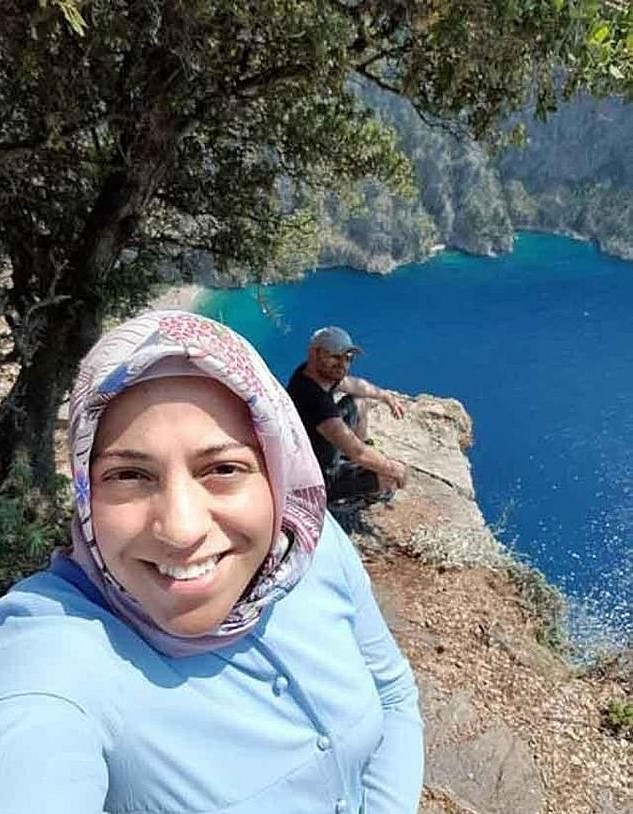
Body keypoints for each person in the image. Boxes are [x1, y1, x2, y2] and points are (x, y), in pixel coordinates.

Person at [0, 310, 423, 814]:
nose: (181, 531)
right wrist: (388, 466)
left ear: (276, 473)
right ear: (86, 489)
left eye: (223, 468)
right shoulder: (57, 655)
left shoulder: (312, 548)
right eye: (129, 475)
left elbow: (394, 695)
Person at [287, 326, 408, 503]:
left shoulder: (312, 373)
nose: (343, 364)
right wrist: (392, 467)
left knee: (359, 401)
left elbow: (353, 385)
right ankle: (368, 494)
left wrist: (385, 396)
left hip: (320, 448)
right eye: (335, 356)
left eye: (348, 358)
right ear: (315, 353)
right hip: (318, 478)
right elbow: (357, 451)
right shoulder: (314, 399)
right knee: (389, 476)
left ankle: (355, 463)